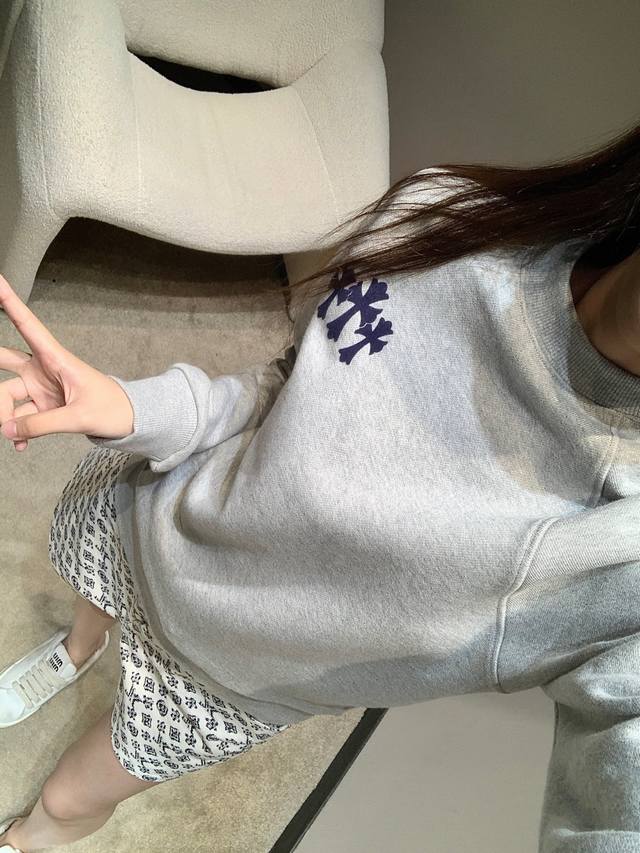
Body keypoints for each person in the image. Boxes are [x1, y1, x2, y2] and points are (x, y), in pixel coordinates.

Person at [1, 119, 640, 852]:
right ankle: (78, 649)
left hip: (226, 679)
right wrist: (134, 407)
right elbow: (286, 381)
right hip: (155, 512)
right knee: (94, 594)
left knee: (65, 801)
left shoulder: (618, 551)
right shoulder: (451, 217)